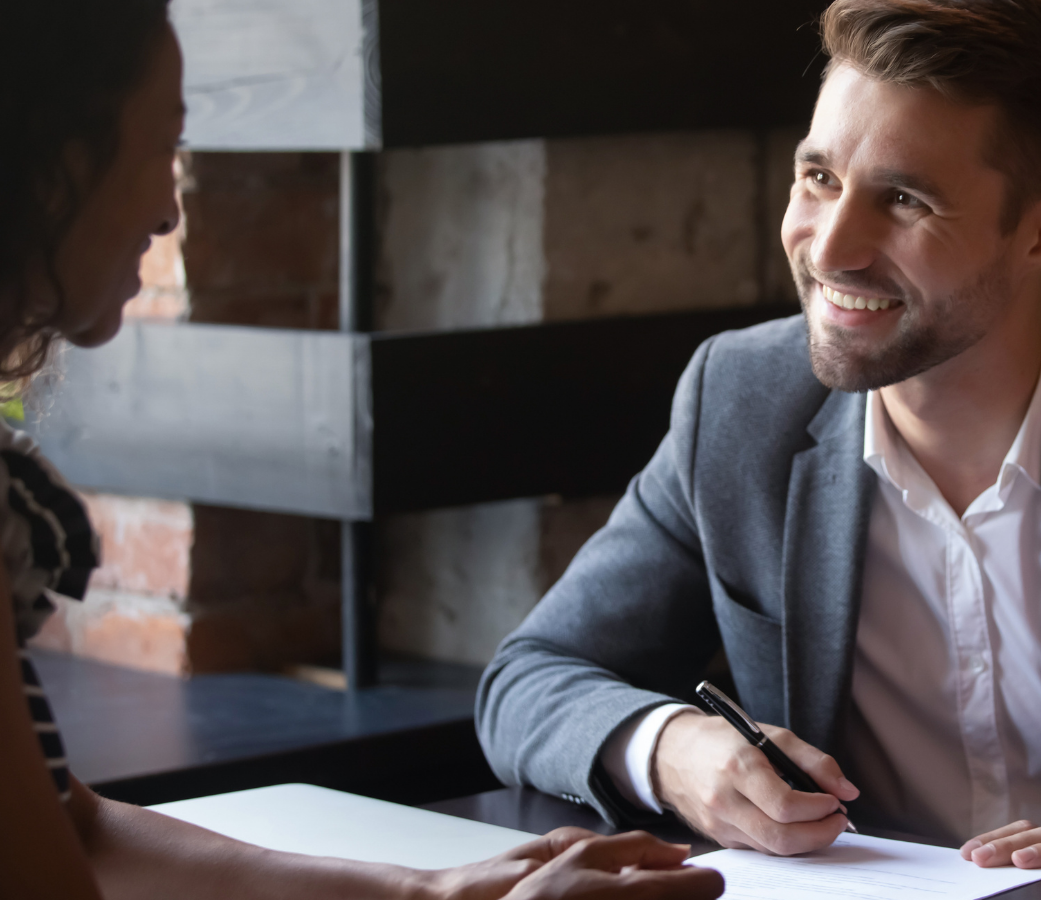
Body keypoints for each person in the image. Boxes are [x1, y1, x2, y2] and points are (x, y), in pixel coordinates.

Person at [475, 0, 1041, 894]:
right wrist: (675, 751)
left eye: (903, 199)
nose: (832, 247)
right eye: (818, 177)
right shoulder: (739, 401)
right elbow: (530, 680)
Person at [0, 3, 725, 899]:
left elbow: (70, 828)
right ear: (54, 164)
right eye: (163, 147)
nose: (166, 209)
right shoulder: (736, 392)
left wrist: (424, 894)